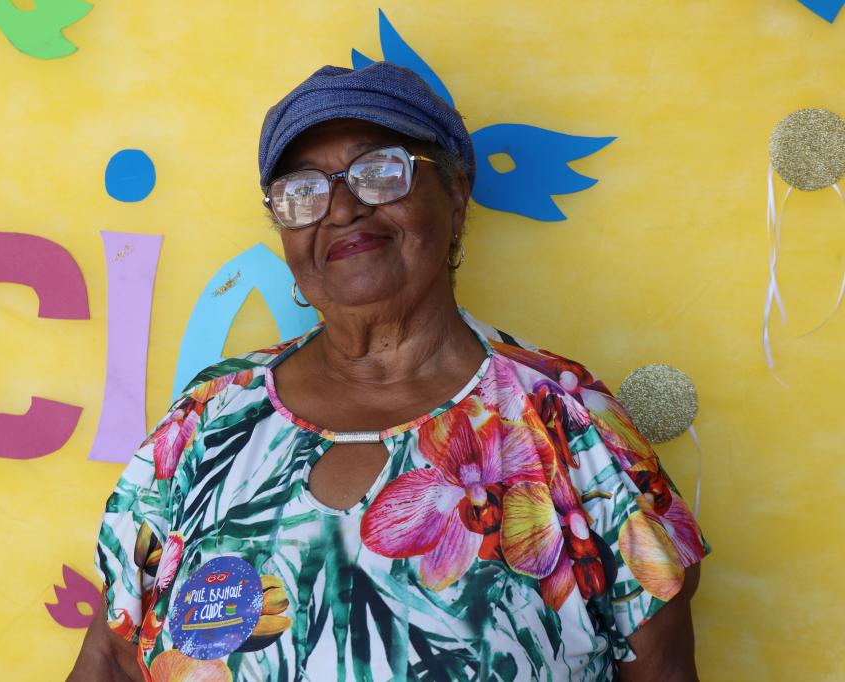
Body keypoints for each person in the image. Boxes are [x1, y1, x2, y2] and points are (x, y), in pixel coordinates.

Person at [68, 62, 708, 682]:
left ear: (455, 196)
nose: (341, 208)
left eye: (379, 172)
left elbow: (663, 670)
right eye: (303, 191)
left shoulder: (567, 421)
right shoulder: (210, 418)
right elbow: (113, 661)